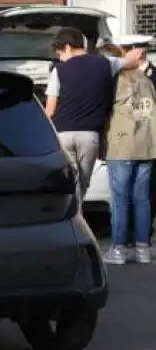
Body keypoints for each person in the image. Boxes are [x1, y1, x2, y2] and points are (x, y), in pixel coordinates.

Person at [44, 27, 140, 197]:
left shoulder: (58, 71)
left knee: (69, 184)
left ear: (67, 47)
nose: (60, 58)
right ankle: (78, 214)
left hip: (63, 134)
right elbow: (133, 59)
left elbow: (50, 111)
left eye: (60, 53)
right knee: (82, 184)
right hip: (90, 136)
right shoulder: (105, 63)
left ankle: (72, 217)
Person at [102, 34, 156, 265]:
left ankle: (118, 249)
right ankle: (143, 249)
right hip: (147, 144)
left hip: (121, 144)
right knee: (142, 199)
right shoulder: (146, 80)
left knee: (121, 199)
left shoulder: (114, 80)